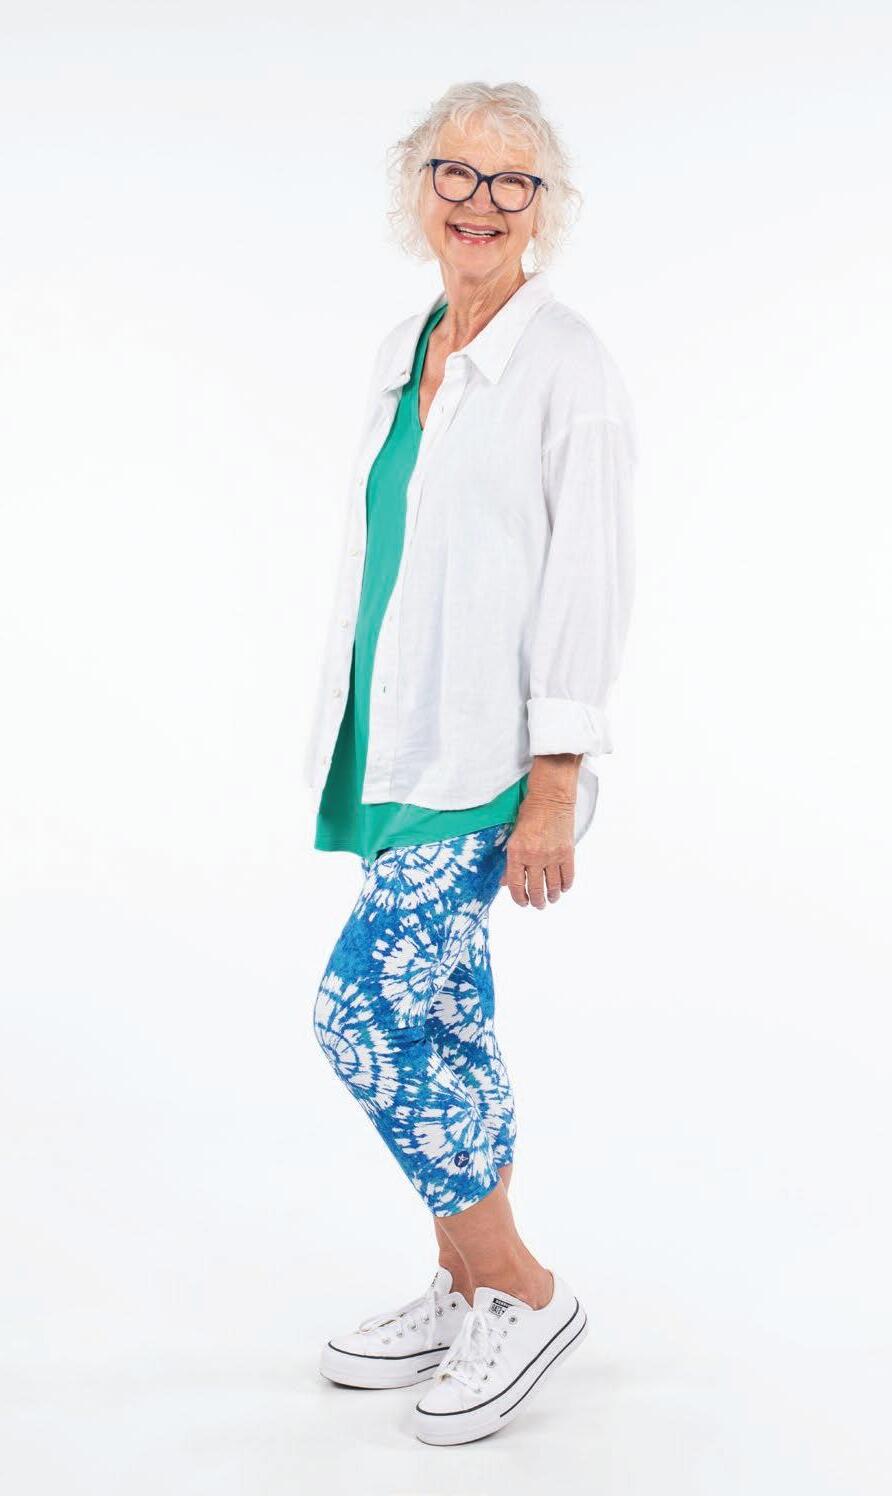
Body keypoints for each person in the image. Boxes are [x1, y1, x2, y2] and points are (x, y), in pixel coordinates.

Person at [303, 80, 636, 1446]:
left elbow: (589, 577)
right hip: (399, 743)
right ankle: (460, 1283)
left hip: (487, 763)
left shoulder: (569, 367)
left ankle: (522, 1288)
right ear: (419, 186)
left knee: (362, 1015)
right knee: (443, 1020)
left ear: (543, 210)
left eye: (513, 183)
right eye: (458, 174)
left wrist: (556, 775)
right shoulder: (411, 347)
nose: (481, 203)